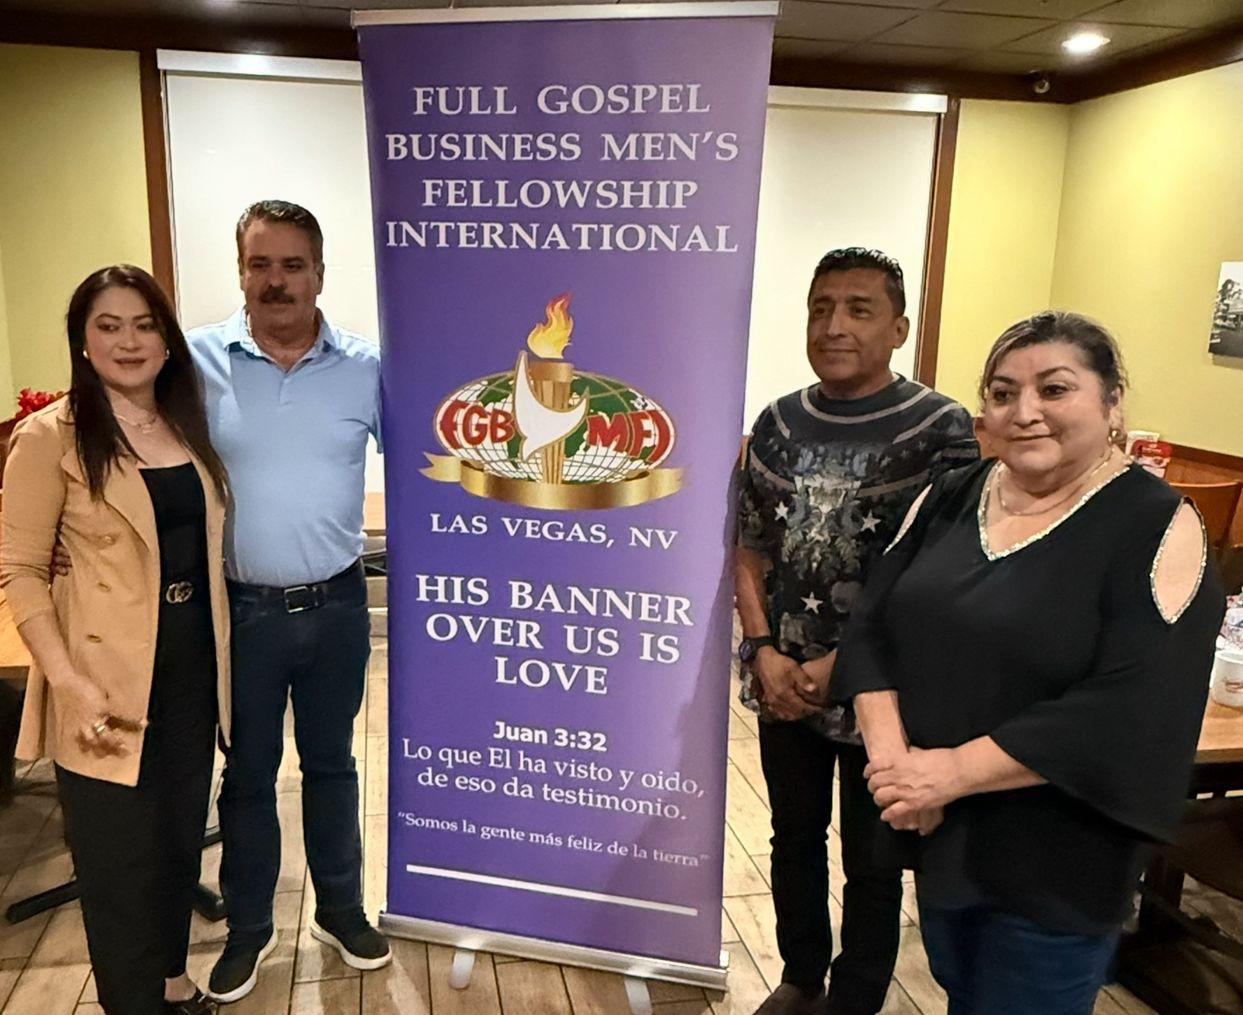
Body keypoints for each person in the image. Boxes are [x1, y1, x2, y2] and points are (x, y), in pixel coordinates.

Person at [832, 311, 1226, 1014]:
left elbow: (1131, 704)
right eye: (1002, 392)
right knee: (962, 990)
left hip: (1056, 853)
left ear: (1112, 402)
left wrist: (946, 774)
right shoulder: (951, 493)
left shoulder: (1155, 523)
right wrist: (897, 768)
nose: (1024, 411)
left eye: (1054, 389)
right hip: (940, 827)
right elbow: (869, 628)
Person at [735, 248, 978, 1015]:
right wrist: (761, 648)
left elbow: (947, 571)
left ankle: (857, 994)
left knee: (875, 856)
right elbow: (746, 545)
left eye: (858, 309)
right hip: (783, 683)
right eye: (820, 308)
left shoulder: (940, 428)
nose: (833, 325)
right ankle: (800, 972)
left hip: (886, 691)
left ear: (898, 327)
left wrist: (846, 662)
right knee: (791, 836)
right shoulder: (776, 422)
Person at [1, 265, 231, 1015]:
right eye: (108, 325)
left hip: (192, 667)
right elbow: (20, 570)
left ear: (166, 339)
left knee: (175, 844)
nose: (128, 341)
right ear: (82, 341)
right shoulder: (51, 435)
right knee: (118, 865)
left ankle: (172, 981)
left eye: (143, 324)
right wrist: (67, 680)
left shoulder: (186, 422)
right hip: (101, 679)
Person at [188, 200, 387, 1002]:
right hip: (241, 615)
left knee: (332, 763)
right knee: (247, 775)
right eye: (260, 264)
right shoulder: (193, 361)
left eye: (292, 265)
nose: (276, 281)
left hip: (338, 606)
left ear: (319, 274)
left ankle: (339, 909)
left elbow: (428, 461)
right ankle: (248, 928)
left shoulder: (367, 367)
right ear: (240, 271)